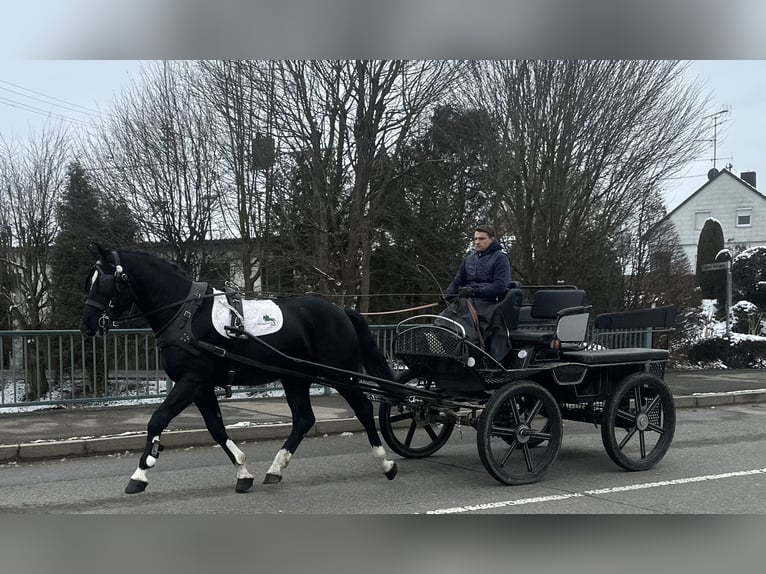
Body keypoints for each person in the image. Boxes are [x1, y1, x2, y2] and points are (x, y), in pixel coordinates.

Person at [445, 224, 511, 302]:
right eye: (475, 239)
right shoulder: (469, 259)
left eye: (481, 239)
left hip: (490, 303)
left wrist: (473, 292)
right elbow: (457, 282)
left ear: (491, 239)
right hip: (466, 301)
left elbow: (500, 286)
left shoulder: (500, 258)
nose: (477, 242)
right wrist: (448, 294)